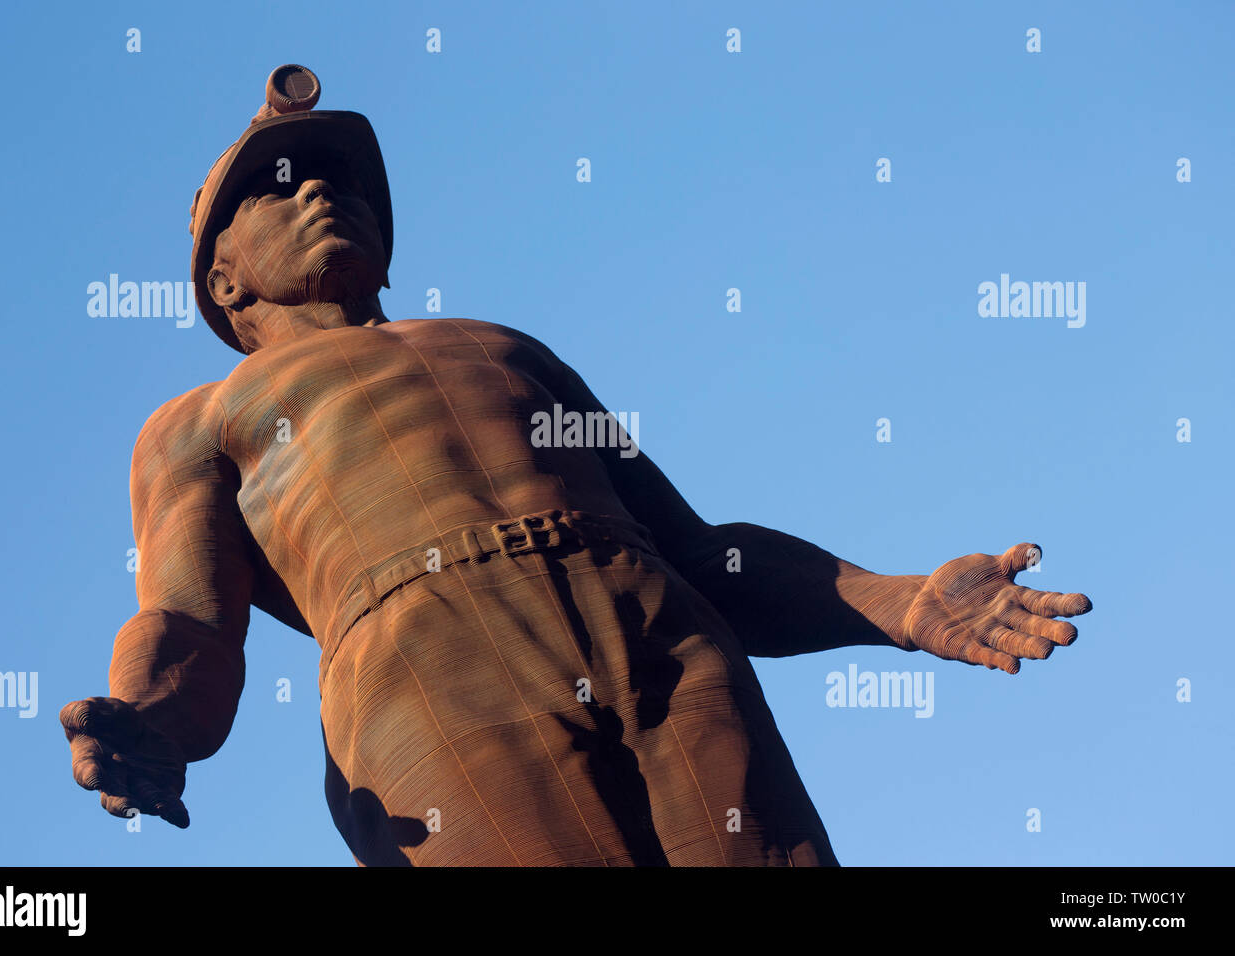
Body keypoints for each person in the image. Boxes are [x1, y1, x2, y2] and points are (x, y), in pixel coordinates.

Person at [61, 66, 1092, 866]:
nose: (321, 191)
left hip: (658, 636)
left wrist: (897, 600)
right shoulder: (198, 419)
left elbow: (696, 548)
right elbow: (191, 618)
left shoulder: (505, 349)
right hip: (425, 673)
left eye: (341, 177)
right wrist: (152, 719)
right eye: (278, 189)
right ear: (225, 280)